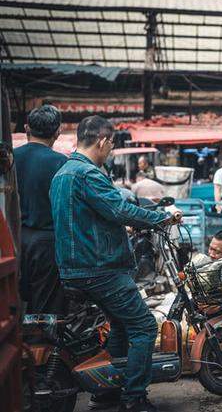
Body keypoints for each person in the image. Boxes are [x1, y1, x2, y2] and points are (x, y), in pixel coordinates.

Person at [50, 115, 182, 412]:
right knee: (145, 327)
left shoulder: (63, 172)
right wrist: (162, 217)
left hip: (76, 266)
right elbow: (119, 208)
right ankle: (134, 397)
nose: (109, 150)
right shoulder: (88, 174)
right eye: (110, 145)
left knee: (121, 327)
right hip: (99, 268)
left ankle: (108, 391)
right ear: (103, 141)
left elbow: (92, 217)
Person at [14, 104, 68, 314]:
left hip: (11, 242)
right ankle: (39, 345)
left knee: (11, 299)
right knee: (44, 307)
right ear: (58, 132)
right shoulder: (60, 162)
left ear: (27, 128)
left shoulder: (9, 159)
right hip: (46, 244)